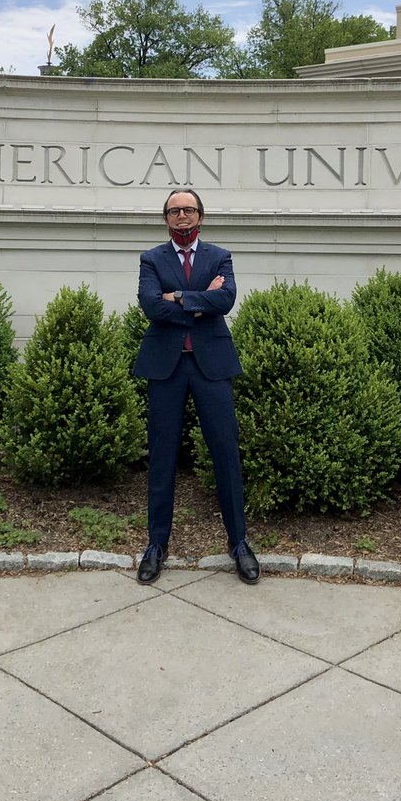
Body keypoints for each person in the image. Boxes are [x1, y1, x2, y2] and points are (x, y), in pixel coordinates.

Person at [132, 188, 259, 585]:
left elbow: (226, 300)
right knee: (162, 457)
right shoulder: (151, 258)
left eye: (189, 210)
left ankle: (238, 543)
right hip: (166, 368)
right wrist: (199, 300)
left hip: (212, 366)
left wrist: (179, 297)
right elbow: (151, 305)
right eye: (175, 211)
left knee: (225, 454)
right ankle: (156, 544)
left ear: (201, 216)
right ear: (166, 219)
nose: (182, 216)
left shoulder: (219, 256)